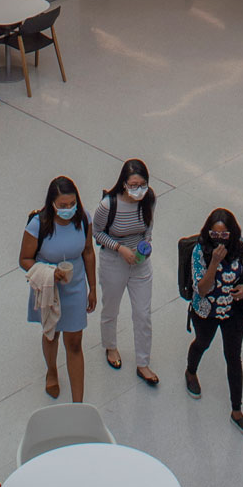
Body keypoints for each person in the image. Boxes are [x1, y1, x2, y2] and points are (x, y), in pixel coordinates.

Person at [20, 176, 96, 402]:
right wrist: (50, 272)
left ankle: (78, 403)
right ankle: (51, 370)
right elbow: (24, 259)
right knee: (51, 334)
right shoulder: (38, 226)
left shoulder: (83, 220)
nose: (68, 209)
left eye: (72, 204)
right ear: (52, 204)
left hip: (75, 287)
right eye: (63, 206)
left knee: (74, 343)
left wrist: (92, 287)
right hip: (48, 288)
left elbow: (89, 252)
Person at [185, 207, 243, 438]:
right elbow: (202, 289)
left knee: (233, 357)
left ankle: (237, 410)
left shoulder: (241, 245)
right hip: (206, 311)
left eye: (224, 235)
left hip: (233, 312)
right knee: (202, 343)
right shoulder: (199, 251)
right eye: (214, 235)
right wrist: (214, 263)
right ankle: (191, 371)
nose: (219, 240)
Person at [95, 158, 159, 386]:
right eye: (133, 185)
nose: (138, 190)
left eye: (142, 184)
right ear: (123, 183)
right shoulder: (108, 205)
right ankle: (110, 347)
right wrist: (119, 248)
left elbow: (148, 228)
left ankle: (143, 362)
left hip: (140, 262)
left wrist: (146, 244)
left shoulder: (149, 199)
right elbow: (97, 233)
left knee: (143, 314)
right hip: (114, 260)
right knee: (111, 308)